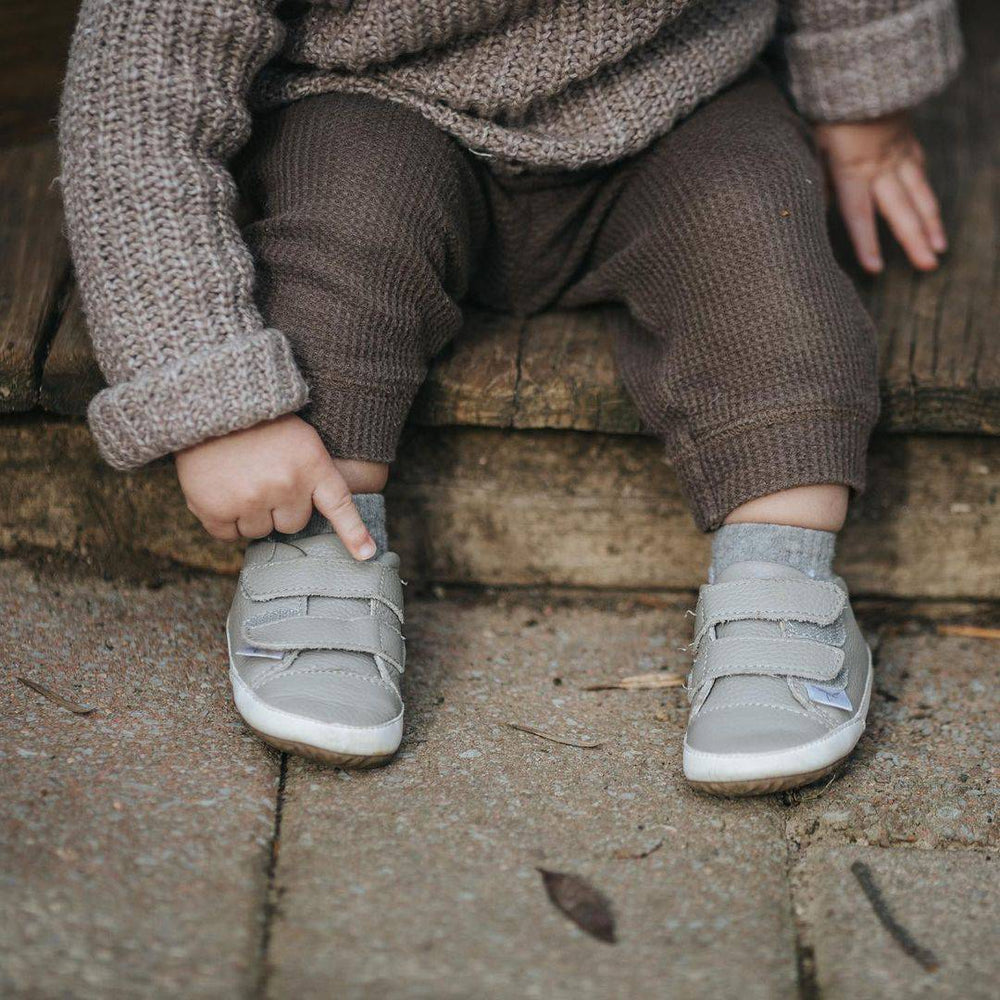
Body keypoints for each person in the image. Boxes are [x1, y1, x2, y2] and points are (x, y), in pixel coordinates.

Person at [59, 1, 962, 793]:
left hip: (676, 94)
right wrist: (213, 394)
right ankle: (319, 546)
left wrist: (864, 93)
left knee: (770, 286)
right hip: (373, 96)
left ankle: (781, 566)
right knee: (332, 268)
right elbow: (138, 93)